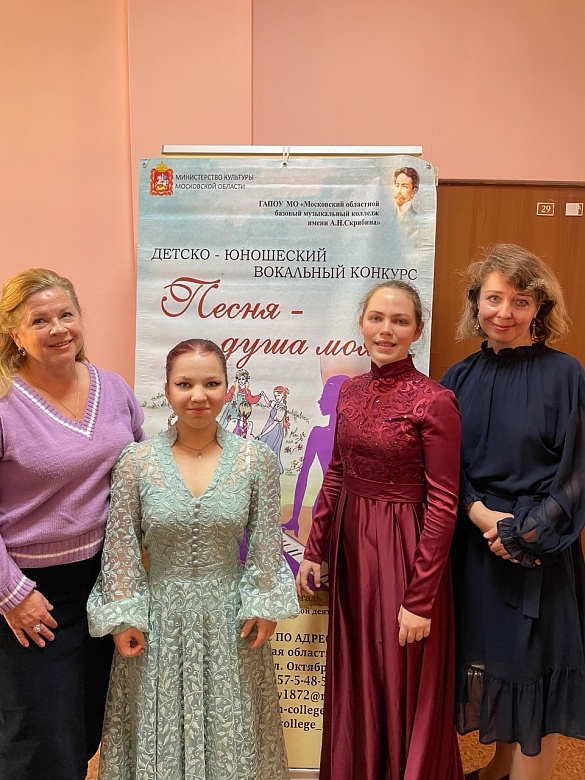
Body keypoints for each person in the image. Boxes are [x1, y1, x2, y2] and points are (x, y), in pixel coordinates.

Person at [87, 338, 299, 780]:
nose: (198, 395)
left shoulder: (256, 460)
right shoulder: (136, 462)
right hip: (158, 623)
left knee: (232, 731)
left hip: (230, 622)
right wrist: (123, 617)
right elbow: (121, 547)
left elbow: (265, 542)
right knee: (157, 727)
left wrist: (264, 604)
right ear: (167, 390)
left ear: (227, 389)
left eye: (211, 383)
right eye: (184, 384)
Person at [297, 280, 463, 780]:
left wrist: (421, 598)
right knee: (359, 672)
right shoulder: (349, 392)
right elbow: (337, 473)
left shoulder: (435, 401)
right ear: (362, 323)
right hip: (353, 548)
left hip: (405, 550)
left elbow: (444, 502)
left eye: (399, 321)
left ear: (417, 330)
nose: (386, 330)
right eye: (377, 318)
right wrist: (315, 548)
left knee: (401, 672)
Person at [441, 243, 585, 780]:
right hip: (478, 549)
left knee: (534, 679)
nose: (504, 312)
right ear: (476, 302)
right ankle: (499, 768)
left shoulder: (566, 374)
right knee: (495, 666)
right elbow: (443, 469)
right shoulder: (456, 379)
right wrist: (481, 515)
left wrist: (525, 533)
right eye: (494, 298)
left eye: (520, 301)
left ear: (538, 308)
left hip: (540, 553)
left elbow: (577, 471)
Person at [0, 268, 144, 780]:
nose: (58, 328)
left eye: (66, 315)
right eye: (40, 320)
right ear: (15, 333)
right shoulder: (5, 403)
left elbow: (141, 471)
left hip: (102, 584)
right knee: (39, 743)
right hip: (32, 594)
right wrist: (12, 594)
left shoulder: (113, 388)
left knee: (83, 730)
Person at [257, 385, 290, 474]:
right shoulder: (275, 404)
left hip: (274, 431)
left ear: (283, 395)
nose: (276, 397)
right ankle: (263, 469)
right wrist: (264, 395)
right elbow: (268, 403)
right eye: (275, 396)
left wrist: (262, 434)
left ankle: (273, 470)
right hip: (268, 428)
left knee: (270, 450)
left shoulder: (281, 409)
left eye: (278, 395)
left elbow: (274, 424)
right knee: (263, 448)